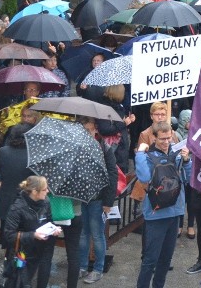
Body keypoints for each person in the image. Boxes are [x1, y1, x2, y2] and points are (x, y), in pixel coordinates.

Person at [135, 121, 192, 288]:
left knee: (166, 259)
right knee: (150, 260)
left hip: (175, 212)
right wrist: (139, 152)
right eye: (162, 139)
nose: (166, 142)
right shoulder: (148, 156)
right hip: (156, 214)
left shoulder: (178, 154)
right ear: (154, 137)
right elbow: (144, 178)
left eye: (169, 138)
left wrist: (187, 161)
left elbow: (187, 179)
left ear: (172, 133)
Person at [76, 117, 119, 284]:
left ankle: (98, 269)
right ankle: (82, 266)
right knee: (83, 234)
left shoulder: (104, 148)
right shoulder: (78, 146)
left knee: (97, 234)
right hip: (81, 197)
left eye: (88, 130)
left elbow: (112, 174)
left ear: (95, 129)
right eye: (83, 131)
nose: (86, 134)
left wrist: (108, 202)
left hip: (98, 199)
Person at [2, 176, 62, 288]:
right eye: (45, 189)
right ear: (35, 192)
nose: (48, 191)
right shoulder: (17, 208)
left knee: (27, 280)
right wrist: (32, 235)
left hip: (37, 251)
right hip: (20, 253)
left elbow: (49, 220)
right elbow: (9, 234)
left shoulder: (46, 202)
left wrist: (53, 229)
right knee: (18, 282)